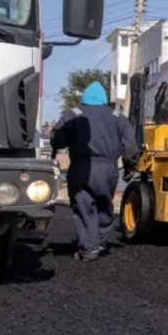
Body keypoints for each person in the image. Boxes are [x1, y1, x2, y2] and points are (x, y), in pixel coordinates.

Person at [50, 82, 139, 261]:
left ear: (84, 99)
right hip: (109, 169)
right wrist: (130, 166)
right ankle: (99, 242)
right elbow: (130, 147)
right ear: (104, 100)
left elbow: (58, 140)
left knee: (84, 205)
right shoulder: (118, 117)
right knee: (104, 205)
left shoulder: (74, 114)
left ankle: (88, 248)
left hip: (83, 166)